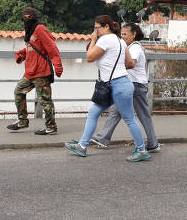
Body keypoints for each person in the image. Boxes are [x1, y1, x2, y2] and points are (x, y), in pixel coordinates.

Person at [65, 15, 149, 161]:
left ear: (106, 27)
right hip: (119, 84)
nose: (95, 31)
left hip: (116, 85)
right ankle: (82, 146)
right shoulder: (121, 41)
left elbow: (90, 57)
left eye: (97, 28)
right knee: (93, 113)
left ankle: (141, 150)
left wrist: (93, 40)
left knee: (129, 119)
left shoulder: (105, 39)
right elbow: (129, 63)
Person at [90, 23, 161, 152]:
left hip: (137, 85)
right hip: (130, 84)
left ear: (134, 34)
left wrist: (115, 65)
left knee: (143, 115)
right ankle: (103, 137)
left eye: (125, 34)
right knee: (115, 111)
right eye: (121, 34)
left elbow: (131, 64)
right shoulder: (128, 46)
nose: (122, 37)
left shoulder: (135, 48)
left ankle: (153, 143)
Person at [7, 7, 64, 135]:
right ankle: (23, 121)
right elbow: (32, 48)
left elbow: (52, 48)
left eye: (29, 17)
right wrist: (21, 54)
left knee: (45, 100)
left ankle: (51, 127)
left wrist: (58, 66)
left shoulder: (40, 29)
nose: (27, 19)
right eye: (25, 17)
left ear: (35, 18)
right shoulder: (30, 31)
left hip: (42, 72)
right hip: (30, 72)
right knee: (18, 91)